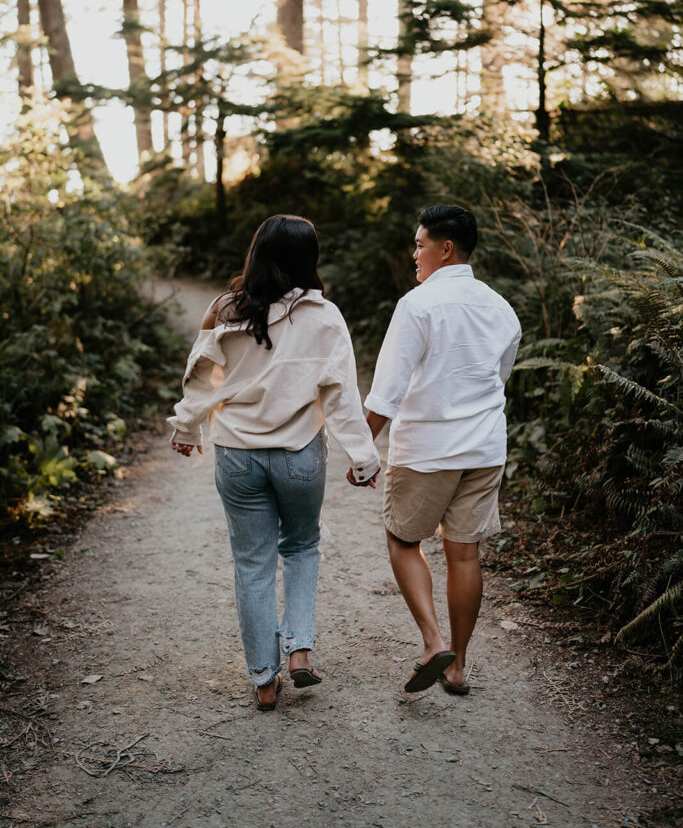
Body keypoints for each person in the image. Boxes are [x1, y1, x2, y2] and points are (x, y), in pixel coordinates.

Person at [169, 215, 380, 712]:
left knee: (252, 562)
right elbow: (343, 395)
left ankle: (265, 679)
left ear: (256, 253)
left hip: (238, 456)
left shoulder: (223, 309)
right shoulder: (325, 317)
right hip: (298, 454)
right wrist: (364, 459)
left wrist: (187, 427)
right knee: (302, 546)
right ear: (310, 259)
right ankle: (300, 651)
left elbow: (201, 376)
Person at [352, 204, 521, 695]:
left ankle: (431, 642)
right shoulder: (500, 307)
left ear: (446, 248)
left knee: (403, 541)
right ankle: (458, 667)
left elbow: (386, 393)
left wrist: (362, 450)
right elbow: (498, 376)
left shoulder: (418, 305)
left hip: (428, 447)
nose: (414, 254)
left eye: (421, 244)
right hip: (485, 448)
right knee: (464, 555)